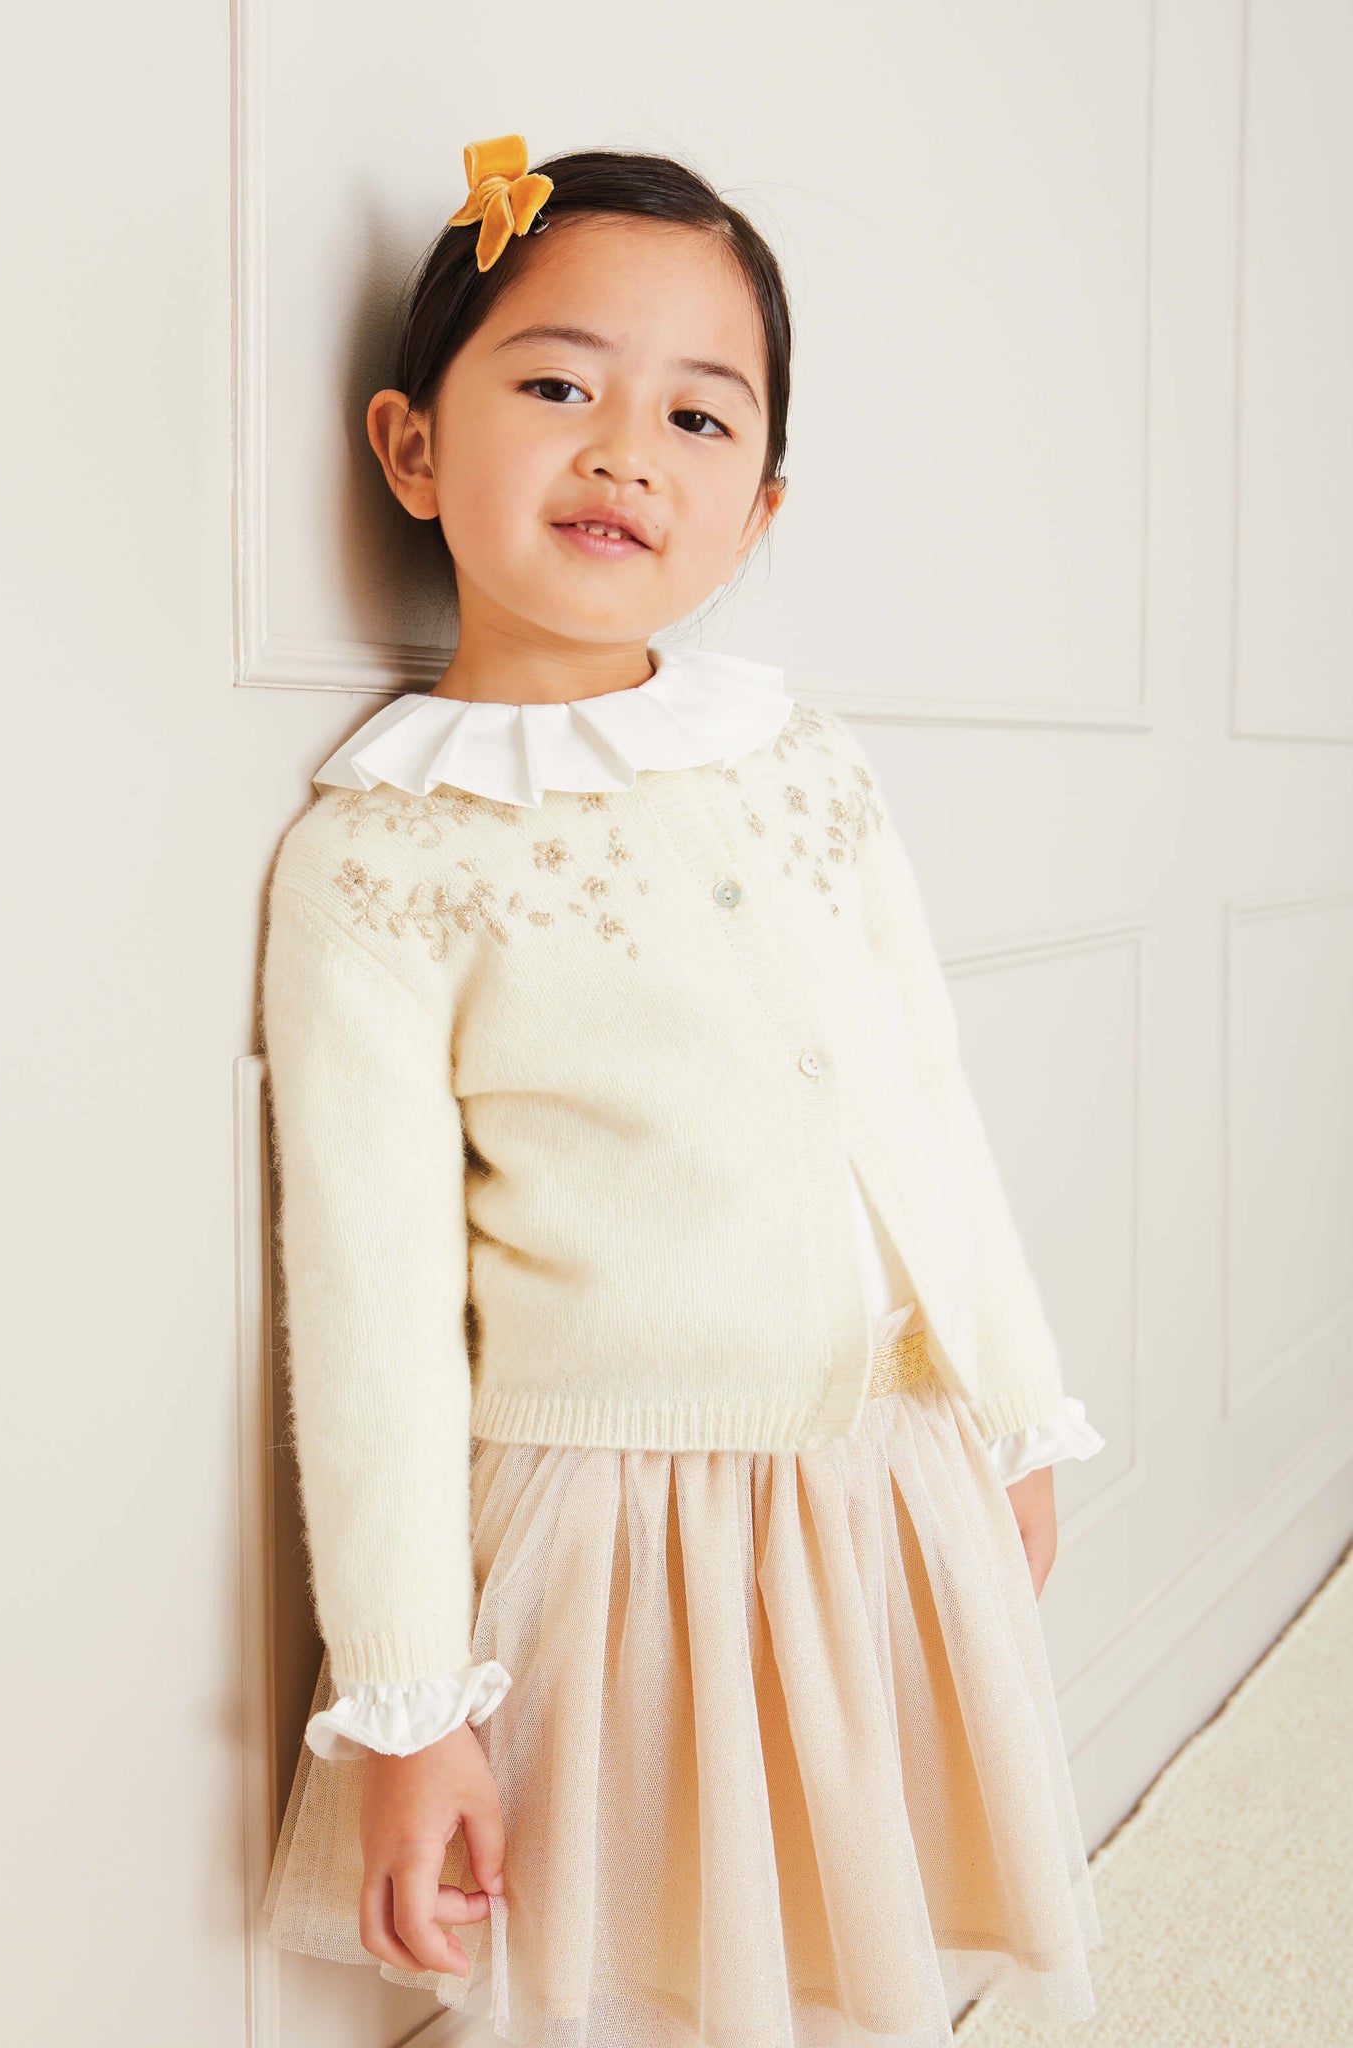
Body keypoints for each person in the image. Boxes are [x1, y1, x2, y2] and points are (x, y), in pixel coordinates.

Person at [259, 132, 1106, 2045]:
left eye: (697, 418)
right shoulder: (382, 863)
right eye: (560, 387)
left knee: (857, 1928)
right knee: (639, 1971)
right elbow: (372, 1319)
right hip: (618, 1536)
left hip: (882, 1470)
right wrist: (408, 1698)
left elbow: (921, 1096)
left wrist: (1012, 1401)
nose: (626, 454)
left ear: (759, 508)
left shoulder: (809, 767)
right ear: (411, 446)